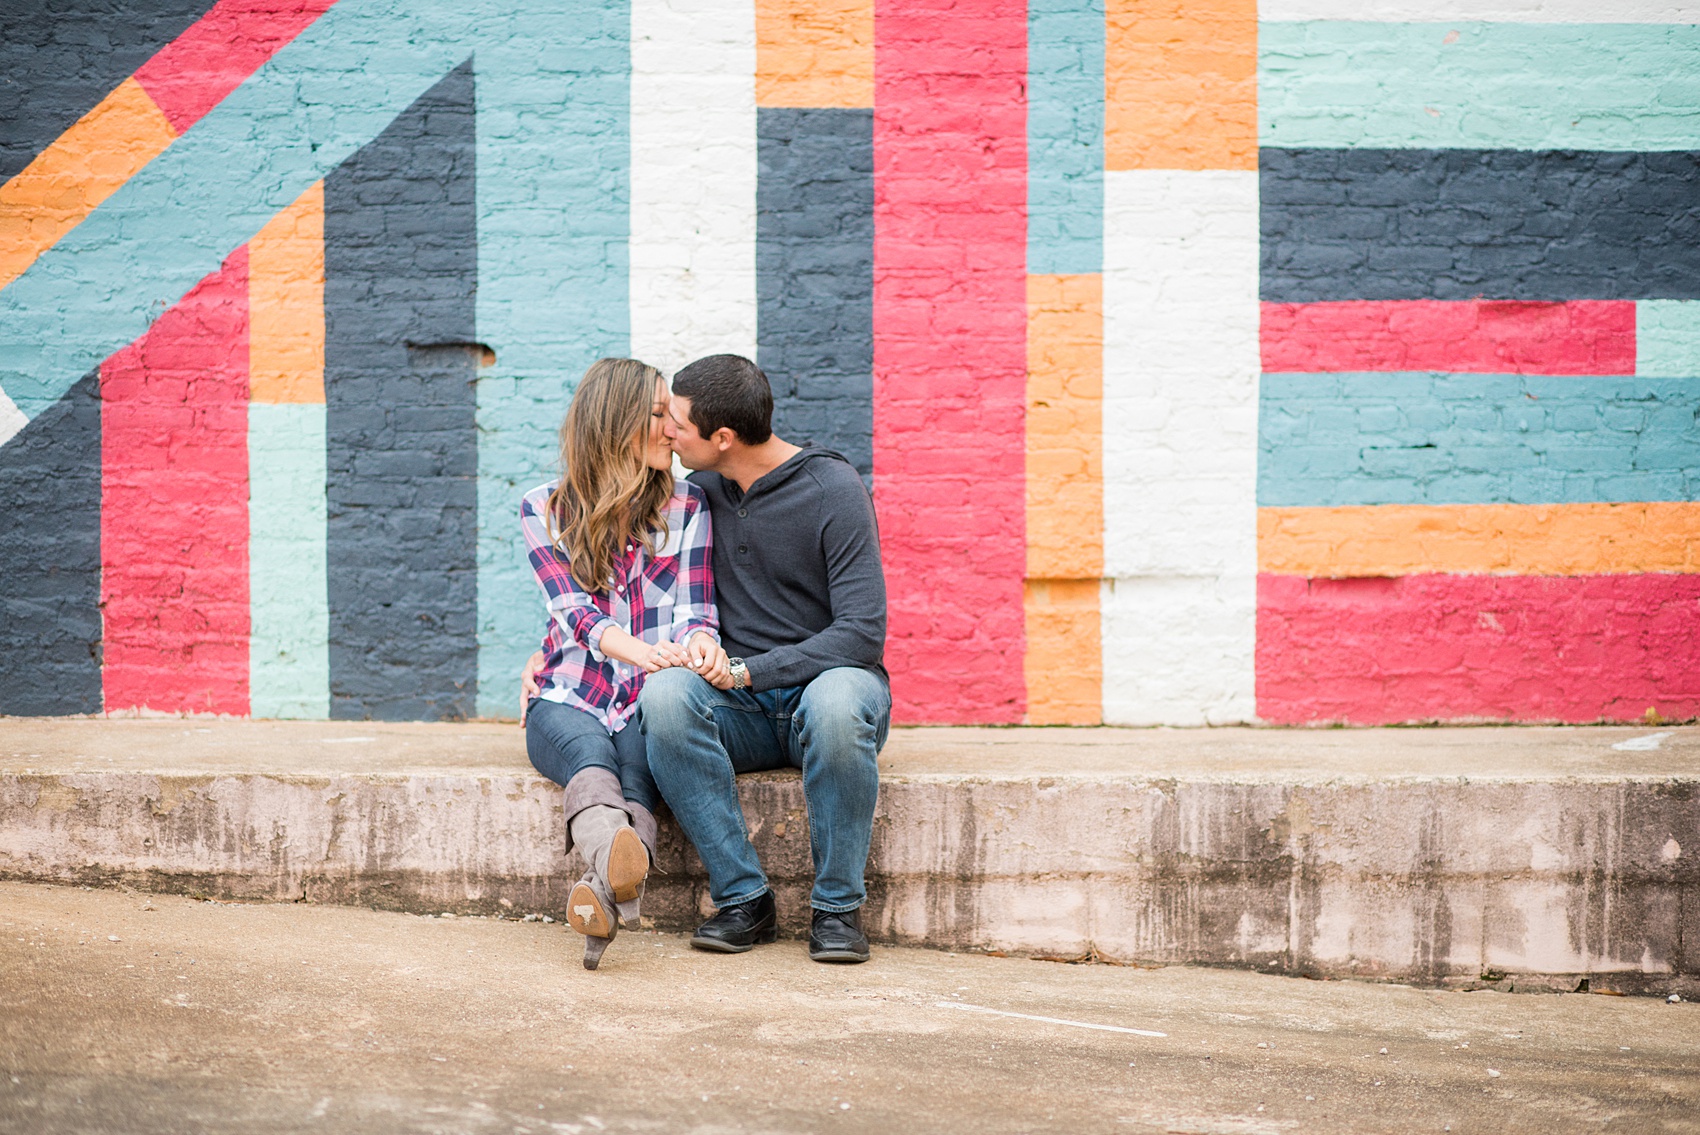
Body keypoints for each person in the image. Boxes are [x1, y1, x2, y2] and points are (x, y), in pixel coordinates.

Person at [640, 353, 889, 964]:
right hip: (738, 708)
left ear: (722, 438)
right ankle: (743, 899)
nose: (668, 431)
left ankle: (837, 909)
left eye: (678, 422)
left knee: (835, 704)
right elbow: (615, 584)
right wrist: (540, 662)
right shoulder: (696, 496)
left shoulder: (834, 489)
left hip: (829, 693)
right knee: (665, 697)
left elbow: (862, 632)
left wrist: (753, 670)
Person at [519, 357, 729, 971]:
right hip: (567, 692)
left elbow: (696, 609)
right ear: (619, 424)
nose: (672, 430)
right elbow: (573, 614)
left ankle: (600, 902)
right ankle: (613, 878)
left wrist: (700, 647)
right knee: (589, 759)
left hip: (649, 696)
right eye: (659, 415)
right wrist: (642, 652)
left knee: (636, 773)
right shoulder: (543, 510)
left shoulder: (688, 506)